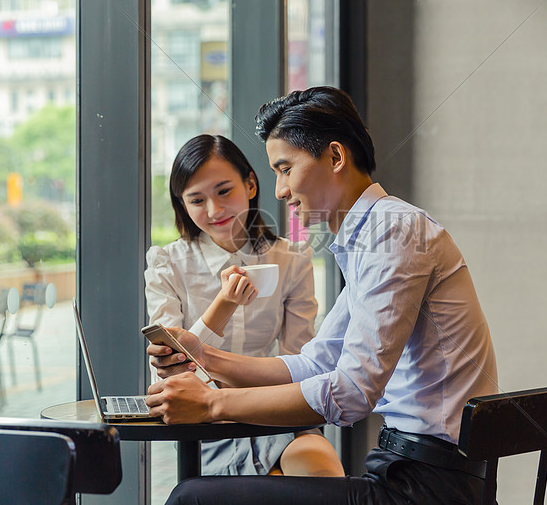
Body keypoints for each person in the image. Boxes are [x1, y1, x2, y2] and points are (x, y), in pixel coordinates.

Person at [145, 87, 498, 504]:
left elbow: (350, 392)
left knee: (193, 498)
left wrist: (214, 404)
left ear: (335, 157)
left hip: (429, 486)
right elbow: (316, 362)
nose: (279, 190)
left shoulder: (394, 232)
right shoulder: (371, 235)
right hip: (409, 469)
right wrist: (205, 357)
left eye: (285, 168)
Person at [144, 134, 343, 477]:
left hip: (274, 416)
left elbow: (302, 363)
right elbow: (171, 370)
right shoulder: (167, 264)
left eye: (224, 191)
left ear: (250, 184)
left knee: (319, 468)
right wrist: (224, 304)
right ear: (182, 205)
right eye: (196, 200)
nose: (214, 210)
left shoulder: (291, 259)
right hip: (203, 427)